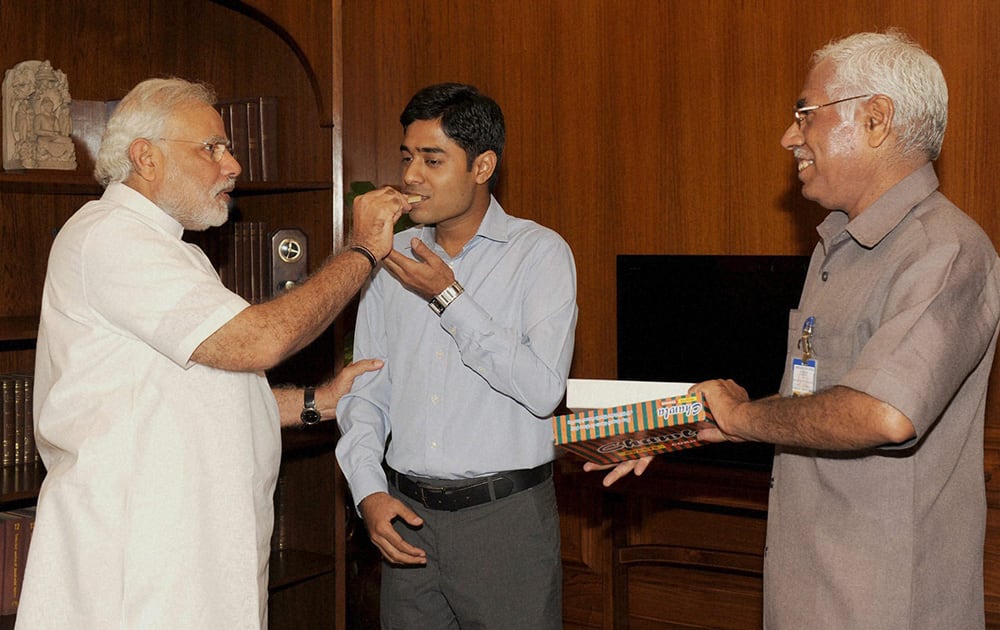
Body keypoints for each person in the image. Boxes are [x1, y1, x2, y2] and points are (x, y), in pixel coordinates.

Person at [593, 29, 1000, 629]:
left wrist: (739, 416)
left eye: (805, 114)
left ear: (876, 119)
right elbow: (816, 405)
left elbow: (886, 414)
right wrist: (709, 425)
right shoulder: (837, 244)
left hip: (884, 604)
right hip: (806, 586)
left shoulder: (945, 250)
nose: (790, 136)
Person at [16, 77, 411, 629]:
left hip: (190, 561)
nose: (233, 166)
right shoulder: (112, 238)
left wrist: (318, 400)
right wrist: (364, 249)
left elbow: (202, 396)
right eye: (212, 148)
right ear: (144, 157)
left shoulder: (173, 251)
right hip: (141, 570)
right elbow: (260, 341)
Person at [335, 82, 578, 629]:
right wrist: (368, 492)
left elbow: (544, 391)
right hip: (407, 516)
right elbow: (366, 389)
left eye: (432, 159)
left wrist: (449, 297)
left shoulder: (540, 254)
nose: (412, 176)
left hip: (504, 521)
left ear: (482, 165)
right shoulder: (388, 256)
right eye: (407, 157)